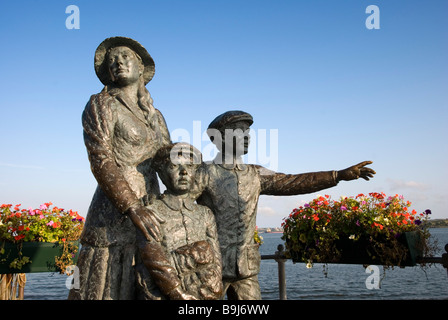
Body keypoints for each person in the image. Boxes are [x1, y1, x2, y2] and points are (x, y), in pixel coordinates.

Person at [195, 110, 376, 299]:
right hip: (213, 266)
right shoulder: (204, 173)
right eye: (240, 132)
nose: (248, 137)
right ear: (222, 138)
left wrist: (337, 176)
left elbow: (293, 182)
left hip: (246, 269)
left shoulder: (255, 173)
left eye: (248, 132)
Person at [69, 37, 171, 300]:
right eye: (112, 60)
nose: (118, 62)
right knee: (105, 290)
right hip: (114, 215)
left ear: (140, 67)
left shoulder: (156, 115)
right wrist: (132, 207)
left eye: (125, 56)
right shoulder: (101, 104)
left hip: (152, 211)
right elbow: (101, 160)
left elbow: (171, 163)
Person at [135, 142, 223, 300]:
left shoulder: (205, 213)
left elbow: (216, 259)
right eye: (175, 166)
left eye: (189, 167)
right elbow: (154, 261)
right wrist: (176, 292)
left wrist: (215, 288)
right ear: (161, 172)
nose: (184, 172)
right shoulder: (150, 212)